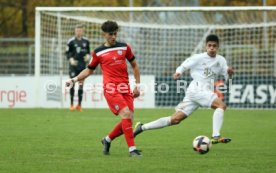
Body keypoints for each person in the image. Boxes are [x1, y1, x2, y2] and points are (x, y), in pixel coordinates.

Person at [134, 34, 234, 145]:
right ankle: (216, 135)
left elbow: (227, 76)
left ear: (218, 47)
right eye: (209, 45)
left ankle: (142, 127)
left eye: (214, 46)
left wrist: (229, 74)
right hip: (197, 88)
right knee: (221, 106)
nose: (211, 48)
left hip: (199, 92)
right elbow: (184, 65)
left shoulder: (221, 60)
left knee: (175, 119)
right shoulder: (199, 57)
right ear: (206, 46)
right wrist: (178, 72)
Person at [65, 21, 142, 157]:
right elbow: (88, 70)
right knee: (126, 113)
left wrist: (137, 85)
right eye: (110, 34)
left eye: (115, 34)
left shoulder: (125, 48)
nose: (113, 36)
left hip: (125, 88)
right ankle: (132, 150)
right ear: (104, 34)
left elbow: (135, 66)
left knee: (128, 118)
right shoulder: (98, 52)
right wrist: (74, 79)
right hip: (110, 89)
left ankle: (107, 140)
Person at [66, 24, 90, 112]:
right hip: (73, 66)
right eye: (77, 30)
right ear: (75, 31)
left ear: (82, 31)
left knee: (81, 85)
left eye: (80, 30)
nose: (78, 32)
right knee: (72, 84)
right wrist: (71, 59)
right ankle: (71, 104)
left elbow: (88, 52)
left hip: (82, 67)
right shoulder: (71, 41)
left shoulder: (86, 41)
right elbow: (67, 53)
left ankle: (79, 105)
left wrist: (88, 56)